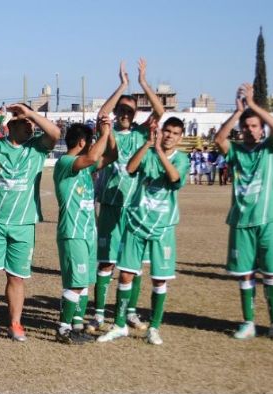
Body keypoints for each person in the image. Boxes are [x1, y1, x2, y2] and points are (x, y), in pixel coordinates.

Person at [213, 83, 273, 343]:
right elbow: (219, 139)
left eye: (254, 126)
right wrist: (239, 112)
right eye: (246, 126)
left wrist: (253, 105)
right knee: (245, 274)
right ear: (241, 129)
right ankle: (249, 323)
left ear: (261, 129)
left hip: (269, 220)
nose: (250, 129)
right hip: (241, 221)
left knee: (271, 274)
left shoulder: (270, 148)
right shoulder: (236, 151)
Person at [97, 117, 189, 345]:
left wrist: (159, 152)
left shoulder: (181, 159)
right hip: (136, 223)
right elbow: (130, 168)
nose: (169, 136)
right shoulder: (147, 152)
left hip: (163, 227)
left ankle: (154, 328)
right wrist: (148, 144)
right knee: (126, 274)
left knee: (159, 280)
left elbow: (174, 177)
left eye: (175, 133)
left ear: (180, 137)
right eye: (167, 131)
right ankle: (120, 325)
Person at [89, 59, 164, 333]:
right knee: (106, 261)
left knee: (133, 265)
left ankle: (130, 312)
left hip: (134, 208)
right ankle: (98, 315)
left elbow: (160, 110)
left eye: (129, 111)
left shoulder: (141, 133)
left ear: (135, 114)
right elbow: (102, 113)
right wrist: (122, 85)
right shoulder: (108, 132)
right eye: (121, 109)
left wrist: (143, 82)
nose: (124, 114)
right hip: (110, 205)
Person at [0, 103, 60, 342]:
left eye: (31, 123)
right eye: (24, 122)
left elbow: (55, 133)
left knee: (16, 277)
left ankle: (15, 323)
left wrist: (30, 113)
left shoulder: (37, 148)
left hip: (24, 224)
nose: (30, 126)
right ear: (11, 125)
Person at [53, 118, 112, 344]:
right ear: (81, 142)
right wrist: (104, 134)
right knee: (76, 283)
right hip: (73, 232)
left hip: (88, 233)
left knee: (84, 282)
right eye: (91, 141)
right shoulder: (65, 162)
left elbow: (112, 156)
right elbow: (93, 157)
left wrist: (110, 132)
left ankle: (77, 325)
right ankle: (63, 328)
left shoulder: (86, 168)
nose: (93, 145)